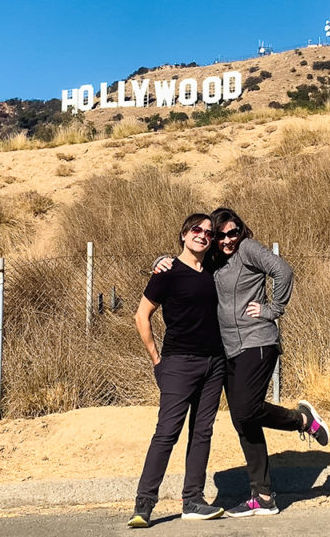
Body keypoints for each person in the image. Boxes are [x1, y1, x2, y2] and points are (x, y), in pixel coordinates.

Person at [155, 207, 330, 518]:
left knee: (247, 410)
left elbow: (283, 271)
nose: (226, 240)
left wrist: (271, 309)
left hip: (257, 341)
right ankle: (263, 496)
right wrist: (160, 262)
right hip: (228, 349)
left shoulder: (248, 248)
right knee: (243, 420)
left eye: (232, 232)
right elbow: (186, 262)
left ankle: (302, 420)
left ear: (241, 231)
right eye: (220, 235)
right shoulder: (212, 259)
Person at [127, 214, 227, 528]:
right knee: (167, 433)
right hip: (178, 363)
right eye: (197, 229)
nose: (203, 235)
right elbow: (142, 316)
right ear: (184, 234)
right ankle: (144, 505)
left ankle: (193, 500)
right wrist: (157, 360)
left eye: (208, 233)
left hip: (214, 363)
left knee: (202, 433)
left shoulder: (212, 270)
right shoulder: (167, 272)